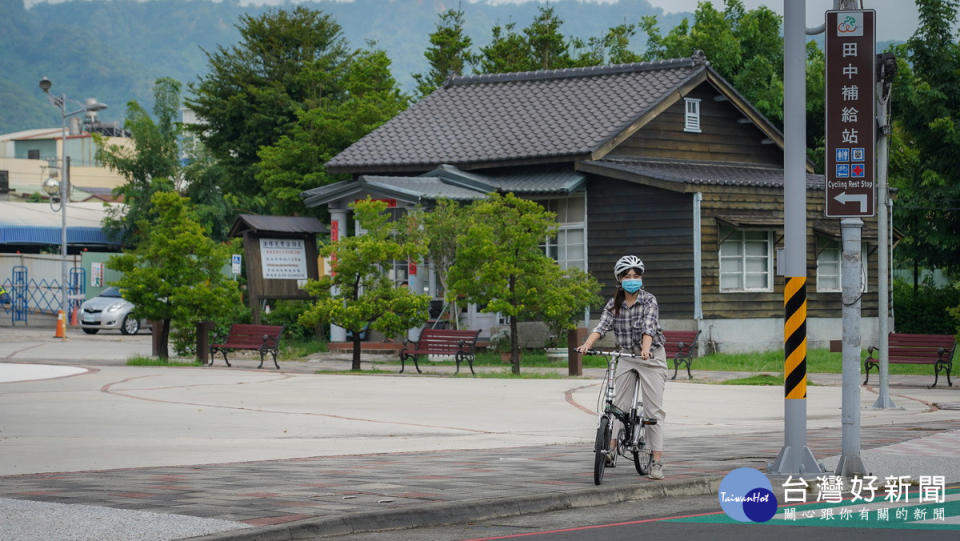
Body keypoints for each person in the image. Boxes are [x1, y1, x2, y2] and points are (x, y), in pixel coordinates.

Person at [576, 255, 667, 480]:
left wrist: (646, 349)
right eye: (627, 276)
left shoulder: (649, 300)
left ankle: (656, 461)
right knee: (617, 406)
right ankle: (610, 450)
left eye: (636, 276)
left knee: (653, 412)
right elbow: (601, 326)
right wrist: (587, 344)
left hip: (651, 357)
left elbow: (649, 328)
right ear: (619, 279)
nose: (632, 280)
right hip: (626, 356)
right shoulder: (613, 304)